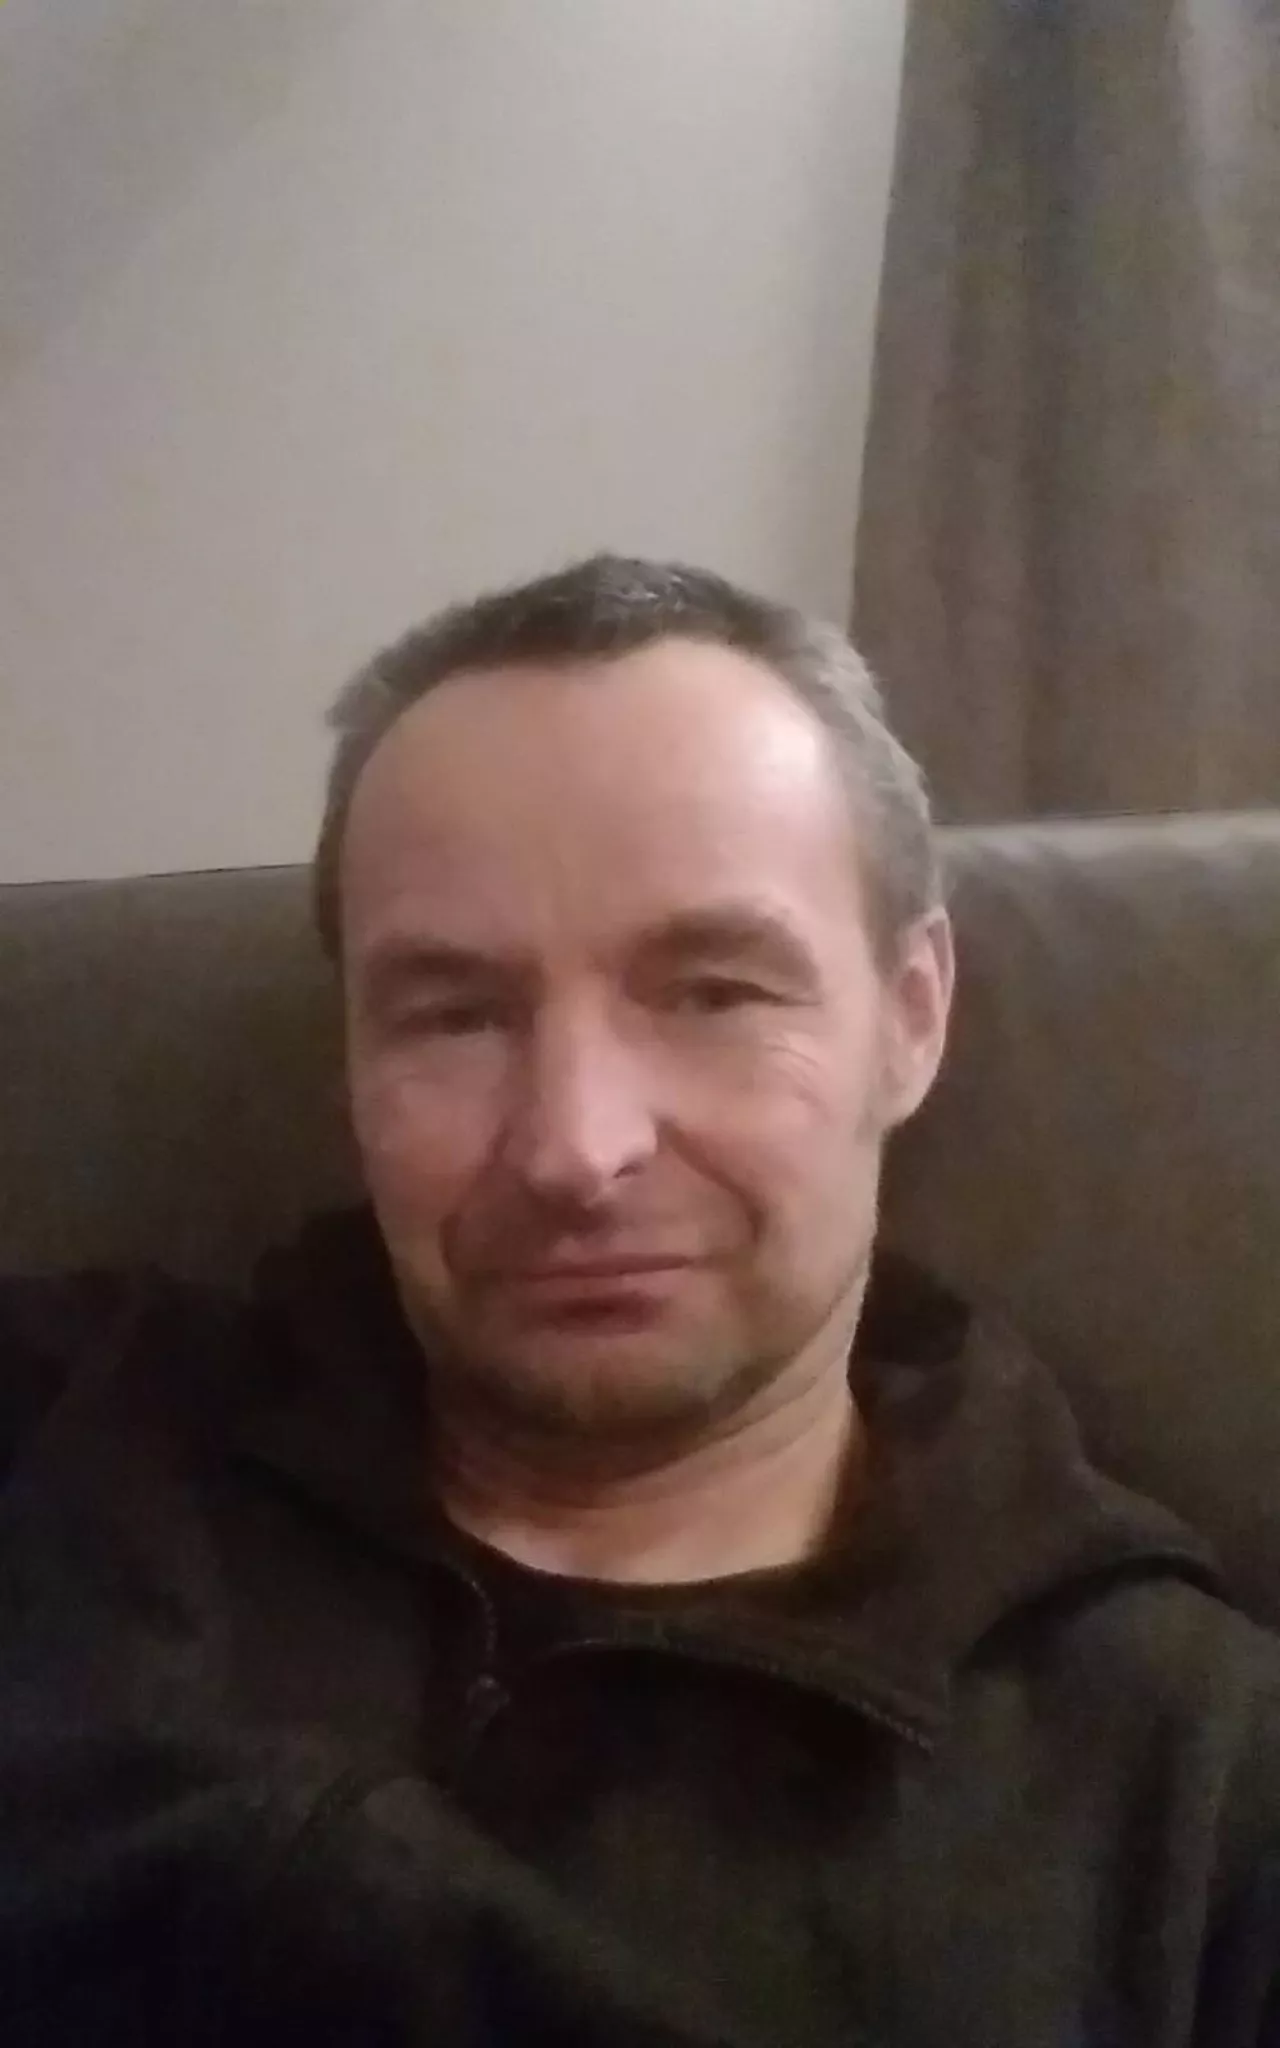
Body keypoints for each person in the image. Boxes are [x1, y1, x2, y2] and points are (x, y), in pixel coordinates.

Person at [2, 554, 1278, 2047]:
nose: (574, 1149)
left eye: (715, 992)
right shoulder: (83, 1425)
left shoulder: (1196, 1781)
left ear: (911, 1017)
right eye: (454, 1014)